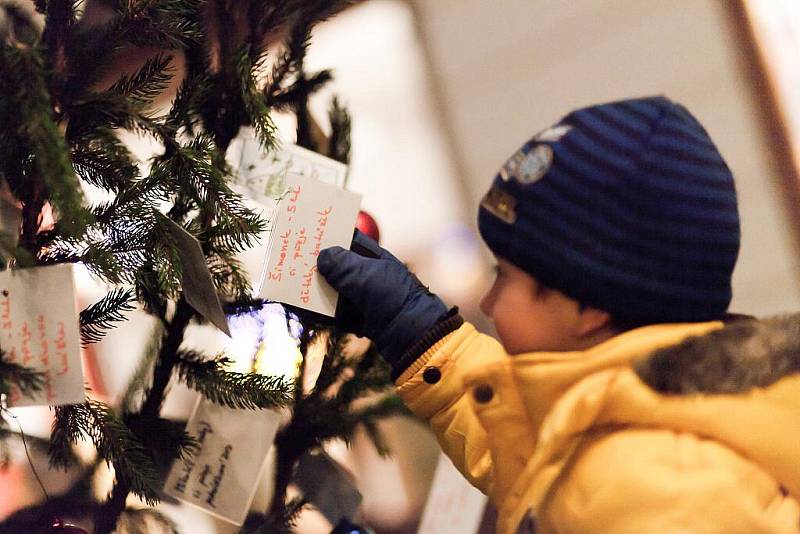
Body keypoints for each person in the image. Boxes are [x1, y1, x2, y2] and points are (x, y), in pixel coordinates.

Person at [317, 96, 800, 533]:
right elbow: (533, 451)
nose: (487, 301)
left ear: (588, 307)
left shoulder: (644, 492)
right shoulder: (660, 415)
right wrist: (416, 330)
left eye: (504, 276)